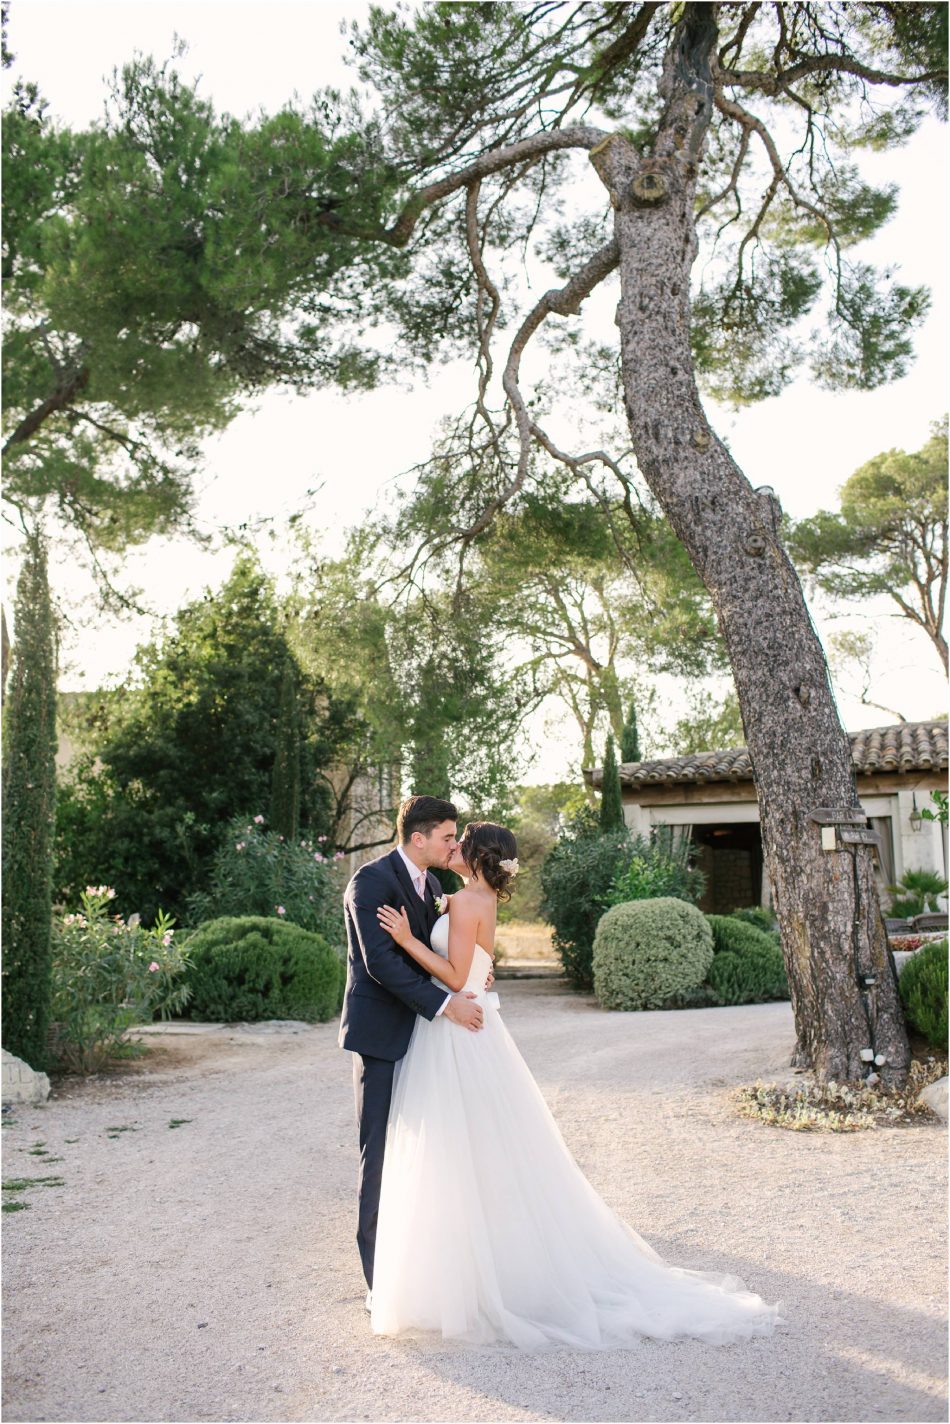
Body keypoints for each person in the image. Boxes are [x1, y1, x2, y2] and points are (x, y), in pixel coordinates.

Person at [370, 819, 785, 1350]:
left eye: (461, 840)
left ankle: (483, 1281)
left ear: (475, 855)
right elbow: (472, 966)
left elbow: (454, 978)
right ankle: (464, 1274)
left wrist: (406, 938)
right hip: (457, 1027)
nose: (453, 846)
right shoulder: (465, 897)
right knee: (467, 1155)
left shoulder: (471, 900)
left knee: (465, 1151)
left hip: (460, 1031)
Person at [339, 795, 493, 1308]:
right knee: (379, 1154)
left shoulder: (434, 886)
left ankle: (426, 1270)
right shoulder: (372, 881)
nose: (455, 845)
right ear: (418, 837)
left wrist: (474, 974)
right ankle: (380, 1284)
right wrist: (446, 1003)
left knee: (428, 1156)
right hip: (382, 1034)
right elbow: (380, 962)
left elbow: (442, 951)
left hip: (429, 1041)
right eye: (448, 837)